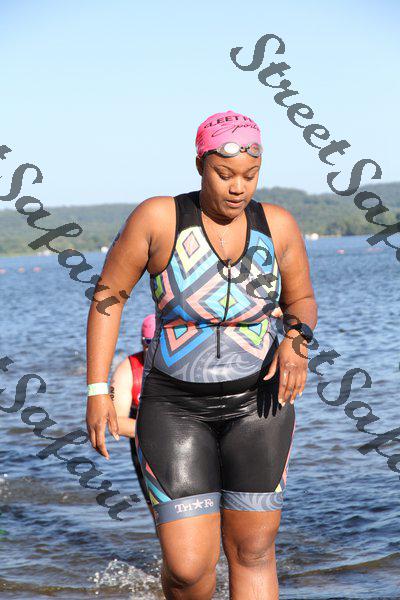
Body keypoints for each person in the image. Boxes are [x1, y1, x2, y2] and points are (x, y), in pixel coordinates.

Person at [86, 109, 318, 600]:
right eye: (224, 173)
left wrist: (296, 343)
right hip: (175, 408)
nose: (238, 187)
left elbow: (301, 300)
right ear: (200, 165)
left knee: (253, 551)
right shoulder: (159, 218)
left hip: (260, 405)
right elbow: (108, 296)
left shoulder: (277, 225)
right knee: (189, 568)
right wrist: (97, 388)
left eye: (250, 175)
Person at [109, 314, 155, 516]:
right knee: (158, 512)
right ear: (141, 341)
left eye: (158, 342)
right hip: (144, 440)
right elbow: (116, 422)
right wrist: (162, 432)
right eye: (148, 342)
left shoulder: (183, 363)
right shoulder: (127, 369)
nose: (152, 348)